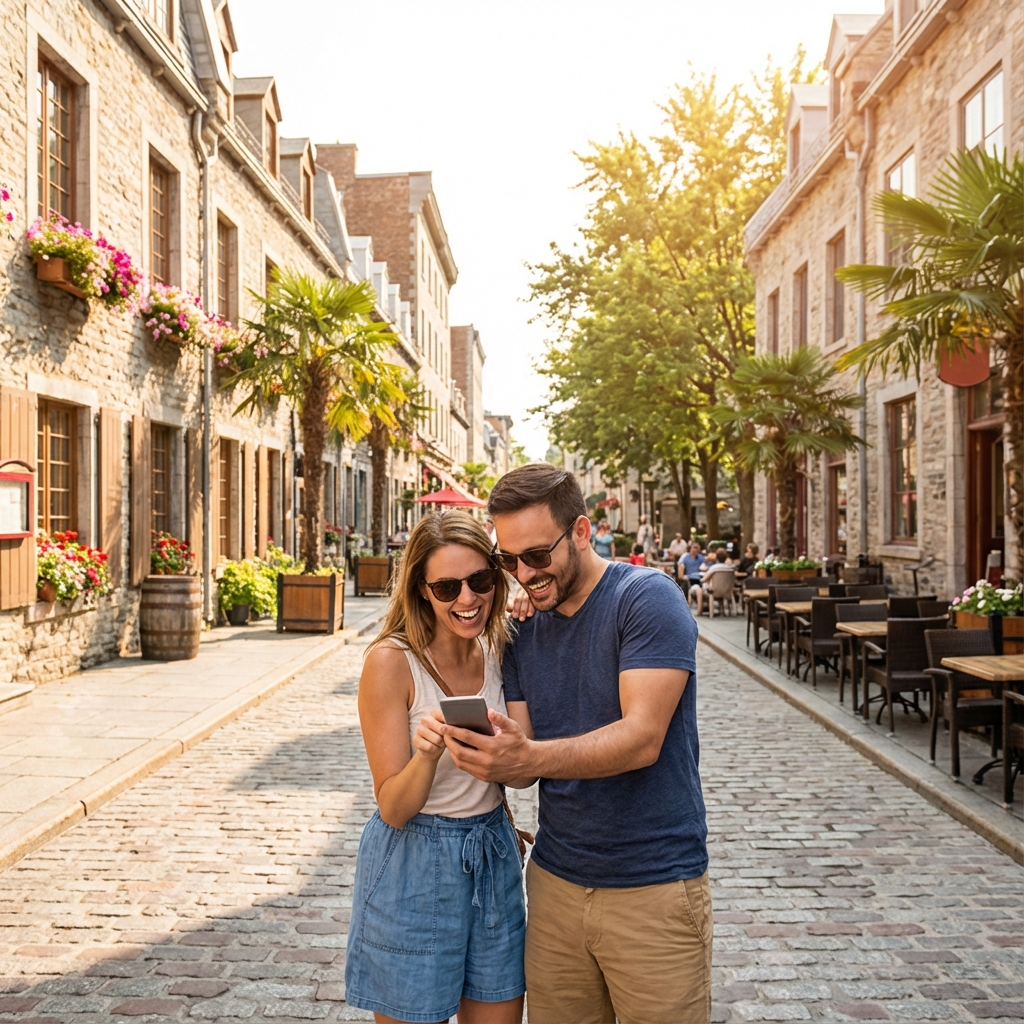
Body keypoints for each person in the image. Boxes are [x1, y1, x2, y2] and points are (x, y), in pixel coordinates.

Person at [439, 464, 711, 1024]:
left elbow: (642, 739)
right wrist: (487, 753)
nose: (523, 574)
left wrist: (527, 757)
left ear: (582, 533)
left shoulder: (645, 599)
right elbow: (521, 766)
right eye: (508, 561)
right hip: (555, 885)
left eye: (538, 556)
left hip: (653, 888)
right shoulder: (520, 628)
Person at [345, 511, 526, 1024]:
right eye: (447, 587)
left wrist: (511, 753)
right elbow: (394, 809)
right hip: (413, 863)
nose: (467, 599)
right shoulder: (390, 662)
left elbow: (524, 771)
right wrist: (426, 754)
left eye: (480, 581)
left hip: (491, 857)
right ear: (422, 590)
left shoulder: (502, 648)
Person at [689, 546, 734, 616]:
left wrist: (702, 580)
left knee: (697, 588)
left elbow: (704, 579)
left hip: (714, 591)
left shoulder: (714, 568)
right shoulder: (730, 568)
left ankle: (698, 611)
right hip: (727, 591)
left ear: (716, 557)